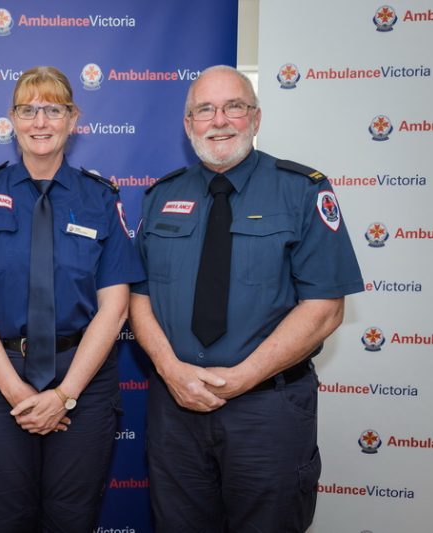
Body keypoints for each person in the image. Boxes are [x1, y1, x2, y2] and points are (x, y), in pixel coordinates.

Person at [130, 65, 364, 532]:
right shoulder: (161, 196)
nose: (219, 120)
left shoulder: (301, 190)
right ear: (188, 124)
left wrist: (241, 378)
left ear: (255, 118)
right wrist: (172, 370)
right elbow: (139, 299)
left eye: (234, 107)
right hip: (177, 409)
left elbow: (323, 310)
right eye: (205, 110)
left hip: (267, 412)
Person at [0, 66, 145, 532]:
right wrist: (18, 393)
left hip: (83, 379)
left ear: (73, 119)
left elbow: (115, 308)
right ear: (11, 120)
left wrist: (65, 395)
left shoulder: (100, 198)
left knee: (71, 519)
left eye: (53, 110)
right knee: (4, 520)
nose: (40, 121)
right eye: (28, 110)